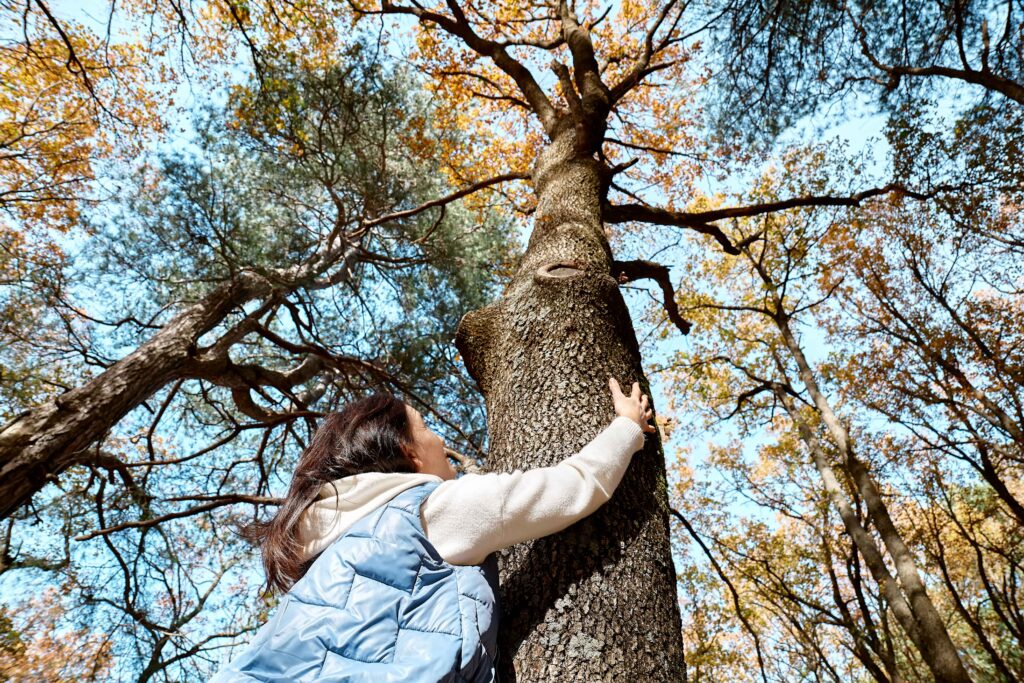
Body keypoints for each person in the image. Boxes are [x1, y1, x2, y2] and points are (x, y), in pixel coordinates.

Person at [211, 377, 654, 682]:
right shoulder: (429, 510)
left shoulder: (327, 552)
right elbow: (573, 486)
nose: (440, 440)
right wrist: (627, 428)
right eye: (427, 427)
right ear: (410, 451)